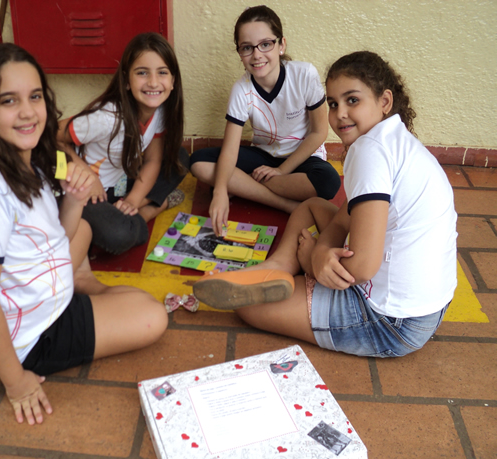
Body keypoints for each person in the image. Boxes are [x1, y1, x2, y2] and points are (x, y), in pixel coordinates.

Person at [0, 43, 168, 426]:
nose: (27, 111)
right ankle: (86, 288)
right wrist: (17, 382)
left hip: (46, 292)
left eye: (35, 96)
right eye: (9, 101)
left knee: (85, 228)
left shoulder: (31, 161)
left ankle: (83, 285)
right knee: (153, 316)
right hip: (32, 338)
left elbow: (55, 238)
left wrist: (75, 199)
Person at [193, 51, 457, 358]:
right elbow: (345, 217)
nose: (340, 113)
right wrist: (321, 250)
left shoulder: (369, 151)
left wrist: (312, 264)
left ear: (384, 101)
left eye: (352, 100)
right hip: (430, 308)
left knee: (250, 308)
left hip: (391, 321)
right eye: (332, 103)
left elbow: (362, 268)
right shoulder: (392, 139)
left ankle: (291, 271)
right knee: (311, 206)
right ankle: (276, 268)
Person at [189, 5, 341, 236]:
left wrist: (281, 170)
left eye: (266, 44)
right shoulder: (242, 89)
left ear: (281, 45)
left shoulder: (304, 75)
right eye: (247, 47)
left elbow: (319, 133)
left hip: (302, 157)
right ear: (240, 53)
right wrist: (219, 192)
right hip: (263, 156)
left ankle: (245, 185)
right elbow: (230, 150)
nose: (257, 55)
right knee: (198, 162)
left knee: (328, 182)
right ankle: (285, 204)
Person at [57, 32, 188, 255]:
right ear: (127, 80)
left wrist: (133, 200)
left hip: (119, 183)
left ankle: (130, 208)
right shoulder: (107, 118)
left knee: (180, 158)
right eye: (142, 73)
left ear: (173, 80)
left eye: (162, 72)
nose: (153, 82)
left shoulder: (159, 109)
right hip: (86, 193)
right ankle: (151, 209)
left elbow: (153, 160)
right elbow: (49, 136)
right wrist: (83, 171)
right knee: (118, 235)